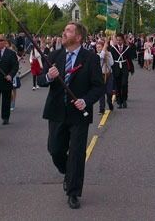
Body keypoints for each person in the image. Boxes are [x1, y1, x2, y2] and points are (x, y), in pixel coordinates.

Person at [38, 22, 104, 209]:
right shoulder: (54, 56)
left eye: (68, 31)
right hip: (56, 111)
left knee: (76, 154)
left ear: (79, 37)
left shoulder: (90, 58)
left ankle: (73, 191)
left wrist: (86, 100)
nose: (64, 33)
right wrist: (49, 76)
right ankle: (69, 172)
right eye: (65, 30)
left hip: (78, 114)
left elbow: (98, 86)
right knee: (55, 150)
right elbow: (41, 80)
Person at [0, 34, 19, 129]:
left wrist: (11, 75)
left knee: (6, 100)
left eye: (1, 40)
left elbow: (15, 66)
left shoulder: (11, 53)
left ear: (5, 42)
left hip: (6, 81)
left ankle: (5, 117)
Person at [109, 33, 135, 108]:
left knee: (124, 84)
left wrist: (132, 69)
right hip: (116, 67)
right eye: (117, 40)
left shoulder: (127, 48)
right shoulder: (113, 48)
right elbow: (111, 60)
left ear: (123, 40)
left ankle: (124, 100)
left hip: (124, 67)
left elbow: (129, 59)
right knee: (117, 85)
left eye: (120, 40)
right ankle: (119, 101)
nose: (118, 41)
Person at [96, 40, 114, 114]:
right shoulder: (96, 55)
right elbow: (101, 58)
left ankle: (109, 102)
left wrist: (108, 56)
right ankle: (101, 109)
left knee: (109, 92)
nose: (98, 48)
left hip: (109, 75)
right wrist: (104, 51)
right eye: (97, 47)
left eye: (99, 47)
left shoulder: (108, 53)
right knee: (101, 93)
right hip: (101, 75)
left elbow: (112, 63)